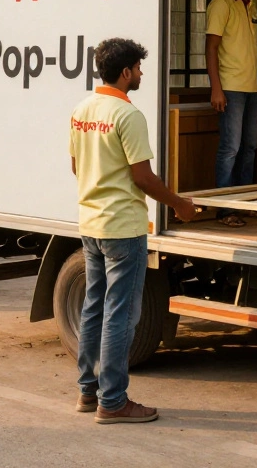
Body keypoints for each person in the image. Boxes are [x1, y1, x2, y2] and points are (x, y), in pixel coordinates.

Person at [69, 38, 197, 424]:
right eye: (139, 69)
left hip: (90, 224)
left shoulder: (82, 110)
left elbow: (77, 167)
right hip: (123, 228)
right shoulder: (128, 115)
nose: (141, 74)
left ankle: (88, 393)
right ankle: (114, 401)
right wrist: (179, 203)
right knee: (121, 316)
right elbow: (142, 176)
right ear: (125, 72)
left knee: (94, 309)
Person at [206, 0, 257, 227]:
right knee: (230, 148)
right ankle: (224, 208)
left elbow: (249, 51)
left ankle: (244, 202)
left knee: (250, 147)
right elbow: (211, 48)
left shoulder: (250, 3)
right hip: (229, 87)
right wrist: (215, 88)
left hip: (251, 88)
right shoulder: (222, 3)